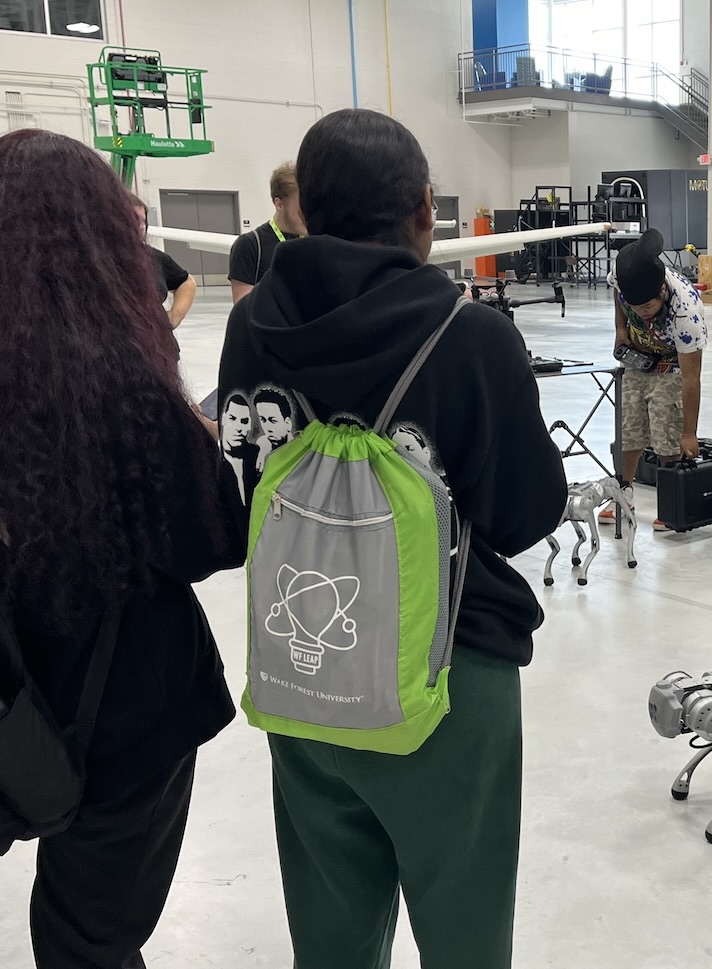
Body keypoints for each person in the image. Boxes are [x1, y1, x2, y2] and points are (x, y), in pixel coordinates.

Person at [216, 108, 567, 969]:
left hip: (302, 665)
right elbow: (526, 510)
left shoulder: (250, 322)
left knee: (331, 935)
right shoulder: (467, 333)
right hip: (444, 680)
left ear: (304, 210)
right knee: (464, 932)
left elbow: (243, 465)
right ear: (423, 209)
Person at [0, 128, 244, 967]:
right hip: (127, 710)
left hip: (11, 701)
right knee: (89, 938)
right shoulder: (124, 385)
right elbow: (212, 537)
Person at [604, 227, 707, 532]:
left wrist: (689, 432)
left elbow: (692, 380)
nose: (642, 313)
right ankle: (623, 494)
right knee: (628, 428)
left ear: (661, 291)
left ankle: (669, 501)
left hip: (673, 364)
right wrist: (622, 331)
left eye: (647, 307)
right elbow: (616, 294)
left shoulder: (686, 314)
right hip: (637, 356)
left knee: (666, 432)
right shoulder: (622, 275)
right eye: (635, 307)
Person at [228, 161, 305, 303]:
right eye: (301, 206)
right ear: (279, 203)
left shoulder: (316, 240)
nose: (307, 213)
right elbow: (243, 309)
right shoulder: (250, 245)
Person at [127, 192, 197, 329]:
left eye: (144, 221)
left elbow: (187, 282)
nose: (141, 226)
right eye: (134, 220)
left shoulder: (155, 257)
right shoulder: (95, 261)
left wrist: (175, 315)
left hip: (158, 341)